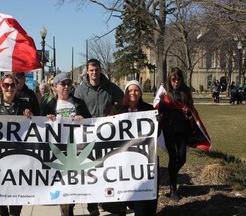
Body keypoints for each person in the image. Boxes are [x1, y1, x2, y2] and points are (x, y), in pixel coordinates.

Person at [74, 58, 124, 215]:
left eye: (96, 70)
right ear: (87, 72)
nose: (94, 73)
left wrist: (115, 108)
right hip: (87, 136)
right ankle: (92, 205)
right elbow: (74, 108)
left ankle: (105, 199)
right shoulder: (81, 90)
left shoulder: (110, 87)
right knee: (90, 171)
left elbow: (123, 100)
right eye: (91, 70)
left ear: (100, 70)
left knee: (105, 168)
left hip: (106, 135)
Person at [0, 74, 33, 216]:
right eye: (6, 85)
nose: (9, 88)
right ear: (1, 87)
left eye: (12, 85)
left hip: (18, 156)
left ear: (17, 87)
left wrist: (30, 116)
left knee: (17, 189)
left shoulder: (24, 104)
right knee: (0, 190)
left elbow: (37, 126)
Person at [43, 72, 91, 216]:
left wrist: (82, 119)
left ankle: (69, 210)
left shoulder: (79, 103)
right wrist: (46, 119)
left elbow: (90, 122)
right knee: (62, 186)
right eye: (62, 84)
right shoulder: (49, 105)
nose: (66, 87)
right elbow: (40, 126)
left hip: (76, 151)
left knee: (73, 185)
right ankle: (66, 212)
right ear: (55, 87)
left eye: (68, 84)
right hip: (58, 152)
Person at [108, 80, 158, 216]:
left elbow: (156, 133)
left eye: (136, 90)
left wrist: (159, 121)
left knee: (141, 193)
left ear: (140, 93)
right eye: (130, 90)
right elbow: (107, 129)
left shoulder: (149, 110)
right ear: (126, 92)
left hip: (142, 158)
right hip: (122, 158)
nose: (133, 93)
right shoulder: (118, 109)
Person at [156, 67, 194, 201]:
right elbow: (159, 111)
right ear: (170, 79)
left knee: (182, 158)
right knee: (173, 158)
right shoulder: (165, 91)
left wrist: (187, 112)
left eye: (178, 79)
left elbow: (191, 110)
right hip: (169, 129)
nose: (176, 82)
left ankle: (171, 174)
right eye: (173, 79)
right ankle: (173, 189)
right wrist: (161, 101)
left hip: (182, 129)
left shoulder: (186, 91)